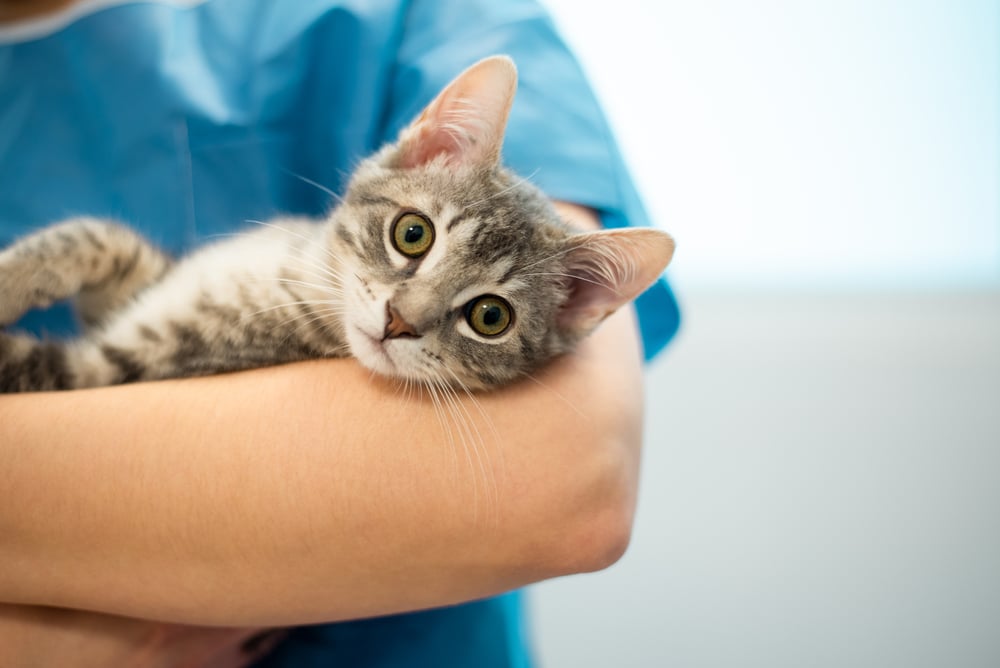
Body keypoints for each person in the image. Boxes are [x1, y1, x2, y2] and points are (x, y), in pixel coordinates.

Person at [0, 0, 680, 665]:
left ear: (577, 305)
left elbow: (565, 485)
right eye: (412, 236)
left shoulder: (434, 16)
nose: (404, 316)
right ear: (423, 150)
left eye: (487, 315)